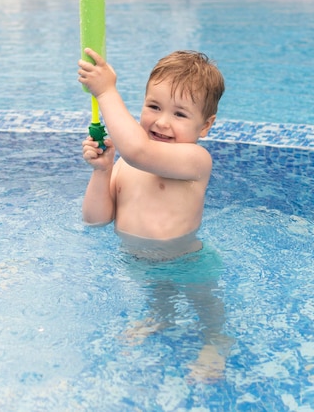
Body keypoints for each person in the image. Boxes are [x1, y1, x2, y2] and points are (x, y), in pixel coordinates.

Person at [78, 49, 230, 381]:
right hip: (137, 260)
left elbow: (138, 150)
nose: (162, 122)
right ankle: (162, 317)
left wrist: (105, 91)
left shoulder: (194, 161)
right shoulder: (125, 165)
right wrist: (102, 172)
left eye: (179, 114)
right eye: (154, 107)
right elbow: (95, 220)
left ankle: (217, 339)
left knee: (205, 303)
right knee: (158, 294)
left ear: (205, 126)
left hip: (186, 260)